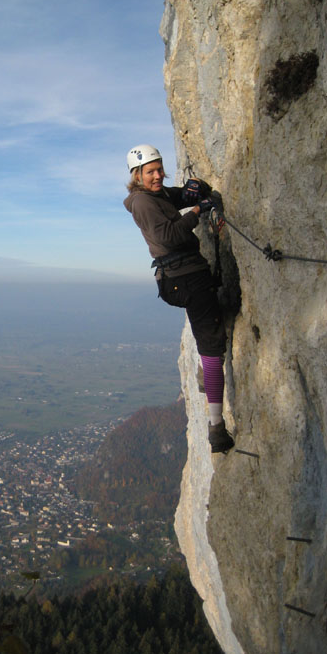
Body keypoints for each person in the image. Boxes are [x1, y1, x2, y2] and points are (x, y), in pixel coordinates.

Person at [123, 144, 234, 453]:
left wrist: (194, 192)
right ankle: (216, 427)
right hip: (185, 277)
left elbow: (179, 196)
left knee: (213, 320)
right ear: (137, 175)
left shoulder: (157, 195)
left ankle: (204, 370)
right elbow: (170, 237)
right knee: (212, 344)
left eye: (159, 169)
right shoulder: (143, 202)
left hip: (182, 277)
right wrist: (198, 211)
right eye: (150, 172)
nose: (158, 175)